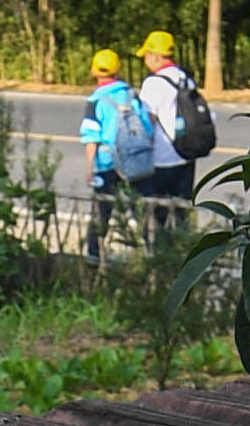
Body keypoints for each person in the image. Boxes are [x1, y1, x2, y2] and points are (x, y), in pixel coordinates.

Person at [78, 40, 156, 258]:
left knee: (101, 211)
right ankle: (151, 254)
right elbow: (148, 127)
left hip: (107, 163)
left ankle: (95, 255)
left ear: (94, 71)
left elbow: (91, 137)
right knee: (141, 210)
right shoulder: (132, 95)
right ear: (118, 70)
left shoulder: (95, 100)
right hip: (134, 159)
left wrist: (90, 168)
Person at [132, 28, 212, 201]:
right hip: (185, 154)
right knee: (181, 211)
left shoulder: (153, 83)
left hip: (162, 158)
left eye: (146, 55)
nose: (146, 60)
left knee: (157, 213)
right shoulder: (185, 78)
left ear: (155, 56)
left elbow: (148, 122)